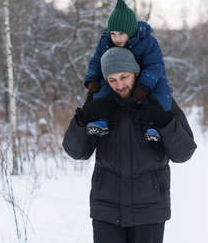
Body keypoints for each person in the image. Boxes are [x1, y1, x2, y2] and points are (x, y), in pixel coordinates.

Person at [63, 47, 197, 243]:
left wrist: (163, 121)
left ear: (136, 73)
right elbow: (76, 151)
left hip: (149, 210)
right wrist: (83, 119)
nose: (119, 85)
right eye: (112, 80)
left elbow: (183, 153)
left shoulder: (160, 101)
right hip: (107, 210)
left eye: (124, 77)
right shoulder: (100, 102)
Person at [84, 0, 172, 142]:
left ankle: (153, 125)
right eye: (113, 33)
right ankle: (102, 120)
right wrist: (93, 78)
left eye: (121, 34)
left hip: (145, 78)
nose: (116, 38)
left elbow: (155, 65)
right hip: (118, 77)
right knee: (103, 90)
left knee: (160, 93)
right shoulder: (106, 42)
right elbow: (96, 60)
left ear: (131, 31)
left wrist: (144, 85)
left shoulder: (147, 42)